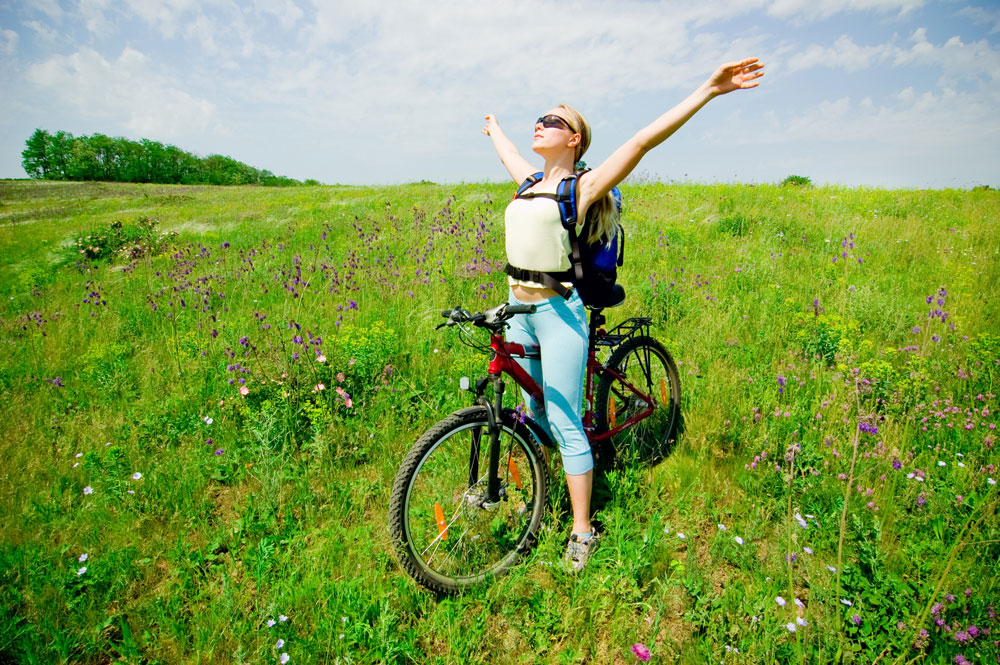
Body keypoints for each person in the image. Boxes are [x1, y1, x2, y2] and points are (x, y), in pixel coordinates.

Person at [481, 57, 764, 571]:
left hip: (558, 314)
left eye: (555, 120)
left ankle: (582, 530)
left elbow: (641, 140)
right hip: (519, 312)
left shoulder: (581, 189)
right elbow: (508, 153)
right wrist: (494, 127)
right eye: (539, 118)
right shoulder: (527, 183)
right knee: (533, 412)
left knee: (566, 421)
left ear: (574, 141)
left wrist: (708, 90)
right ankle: (542, 497)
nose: (541, 123)